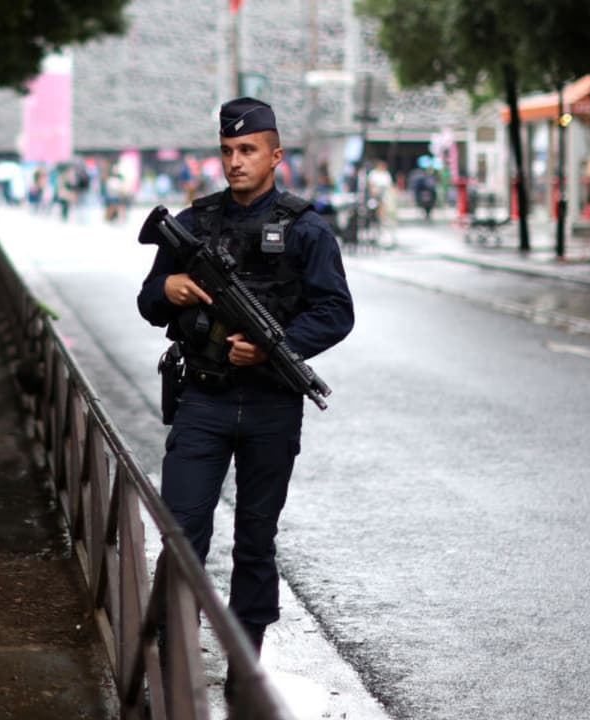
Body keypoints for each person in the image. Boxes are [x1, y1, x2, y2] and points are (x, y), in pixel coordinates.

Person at [135, 97, 354, 700]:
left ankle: (244, 667)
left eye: (248, 150)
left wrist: (273, 349)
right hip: (201, 400)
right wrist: (172, 288)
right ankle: (174, 650)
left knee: (257, 536)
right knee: (182, 529)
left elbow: (337, 312)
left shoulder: (307, 227)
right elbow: (150, 302)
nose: (235, 161)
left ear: (275, 156)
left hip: (270, 405)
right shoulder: (195, 223)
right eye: (228, 151)